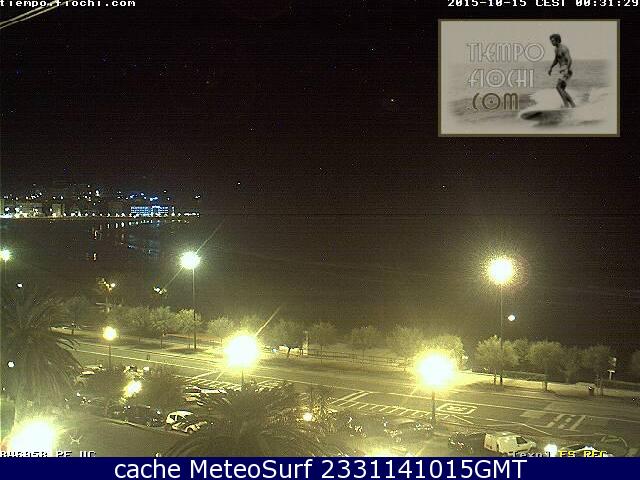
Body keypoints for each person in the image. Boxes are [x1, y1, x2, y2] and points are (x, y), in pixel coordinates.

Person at [548, 33, 576, 108]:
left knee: (558, 87)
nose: (551, 42)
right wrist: (551, 67)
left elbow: (569, 59)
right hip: (562, 69)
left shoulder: (564, 48)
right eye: (551, 41)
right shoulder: (556, 49)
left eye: (553, 41)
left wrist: (566, 69)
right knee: (561, 89)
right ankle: (573, 105)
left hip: (566, 68)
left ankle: (566, 105)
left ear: (557, 40)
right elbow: (556, 60)